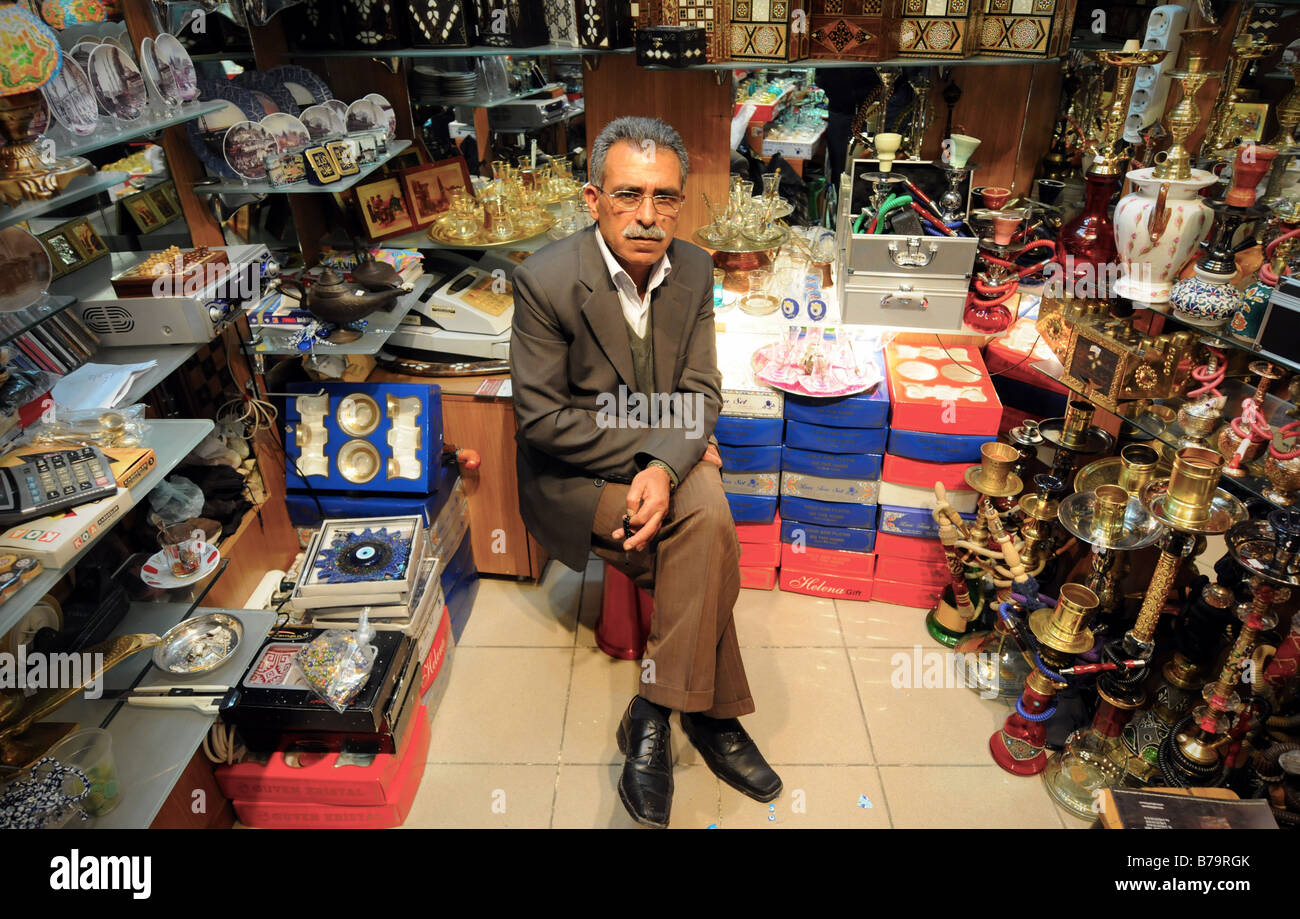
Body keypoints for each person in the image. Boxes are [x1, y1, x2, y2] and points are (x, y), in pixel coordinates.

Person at [510, 117, 781, 828]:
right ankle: (713, 715)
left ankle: (657, 709)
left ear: (681, 202)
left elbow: (702, 391)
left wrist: (668, 459)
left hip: (660, 450)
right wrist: (661, 454)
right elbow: (543, 420)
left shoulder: (693, 268)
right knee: (710, 529)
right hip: (574, 476)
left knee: (708, 522)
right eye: (629, 194)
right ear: (593, 198)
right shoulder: (543, 280)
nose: (647, 215)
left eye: (665, 197)